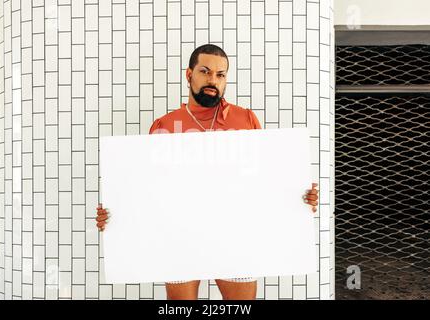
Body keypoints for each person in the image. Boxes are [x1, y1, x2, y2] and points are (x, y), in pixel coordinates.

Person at [96, 44, 319, 300]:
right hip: (179, 236)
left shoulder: (245, 120)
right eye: (205, 71)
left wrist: (297, 198)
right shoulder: (164, 125)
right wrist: (118, 217)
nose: (213, 80)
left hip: (236, 235)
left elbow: (263, 179)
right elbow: (150, 189)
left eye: (220, 74)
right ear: (189, 74)